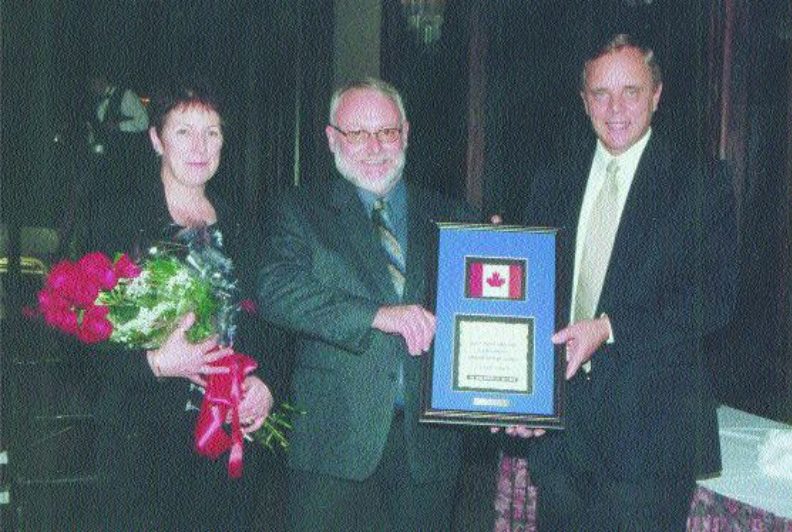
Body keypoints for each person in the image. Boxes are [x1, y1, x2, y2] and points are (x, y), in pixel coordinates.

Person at [507, 34, 738, 530]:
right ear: (583, 100)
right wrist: (523, 396)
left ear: (656, 95)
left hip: (649, 451)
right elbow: (531, 304)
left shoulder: (699, 182)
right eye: (600, 93)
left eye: (631, 91)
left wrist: (609, 326)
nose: (615, 108)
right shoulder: (553, 179)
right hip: (562, 447)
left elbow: (713, 299)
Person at [257, 78, 471, 531]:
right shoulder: (300, 210)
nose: (373, 147)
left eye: (386, 132)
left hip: (428, 451)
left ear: (406, 134)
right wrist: (376, 315)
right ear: (332, 138)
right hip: (333, 446)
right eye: (356, 134)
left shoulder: (456, 218)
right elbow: (276, 290)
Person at [82, 80, 274, 530]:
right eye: (184, 131)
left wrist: (266, 386)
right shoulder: (118, 220)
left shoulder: (243, 223)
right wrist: (153, 362)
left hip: (227, 441)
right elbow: (80, 336)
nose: (200, 146)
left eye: (212, 132)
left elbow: (267, 323)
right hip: (143, 444)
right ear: (156, 139)